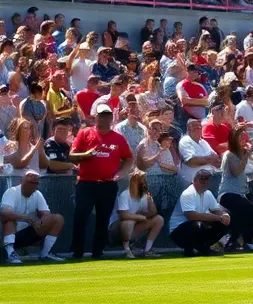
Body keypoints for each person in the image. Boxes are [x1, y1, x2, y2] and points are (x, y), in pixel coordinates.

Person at [70, 104, 133, 259]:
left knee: (103, 219)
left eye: (107, 116)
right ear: (95, 117)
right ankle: (77, 252)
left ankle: (98, 251)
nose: (104, 119)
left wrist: (121, 173)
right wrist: (86, 154)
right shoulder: (85, 133)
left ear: (111, 118)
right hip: (86, 183)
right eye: (101, 116)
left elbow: (128, 158)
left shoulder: (118, 138)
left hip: (108, 184)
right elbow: (72, 156)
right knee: (80, 217)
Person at [2, 170, 65, 264]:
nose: (31, 185)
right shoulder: (12, 192)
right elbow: (4, 213)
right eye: (29, 182)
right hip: (10, 233)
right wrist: (25, 218)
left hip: (29, 232)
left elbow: (47, 214)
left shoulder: (37, 194)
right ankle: (10, 253)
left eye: (35, 183)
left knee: (58, 219)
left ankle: (45, 254)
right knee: (9, 220)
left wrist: (41, 221)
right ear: (22, 181)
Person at [218, 128, 253, 251]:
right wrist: (245, 157)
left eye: (244, 137)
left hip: (238, 194)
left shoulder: (241, 155)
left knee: (239, 219)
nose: (243, 140)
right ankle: (247, 242)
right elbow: (236, 171)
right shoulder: (229, 154)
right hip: (228, 194)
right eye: (240, 137)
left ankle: (232, 242)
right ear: (233, 140)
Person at [168, 169, 231, 257]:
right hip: (178, 232)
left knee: (223, 223)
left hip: (197, 226)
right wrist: (217, 217)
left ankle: (204, 247)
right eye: (202, 180)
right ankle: (193, 249)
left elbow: (216, 210)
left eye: (206, 180)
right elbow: (191, 216)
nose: (205, 183)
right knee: (197, 225)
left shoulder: (208, 193)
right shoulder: (188, 193)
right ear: (195, 180)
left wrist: (224, 215)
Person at [109, 170, 164, 258]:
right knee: (129, 221)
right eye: (140, 180)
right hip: (115, 230)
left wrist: (149, 199)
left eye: (144, 180)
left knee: (159, 219)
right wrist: (139, 217)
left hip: (134, 228)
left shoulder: (145, 196)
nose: (143, 183)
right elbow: (123, 215)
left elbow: (153, 213)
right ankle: (127, 251)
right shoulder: (125, 195)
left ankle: (147, 250)